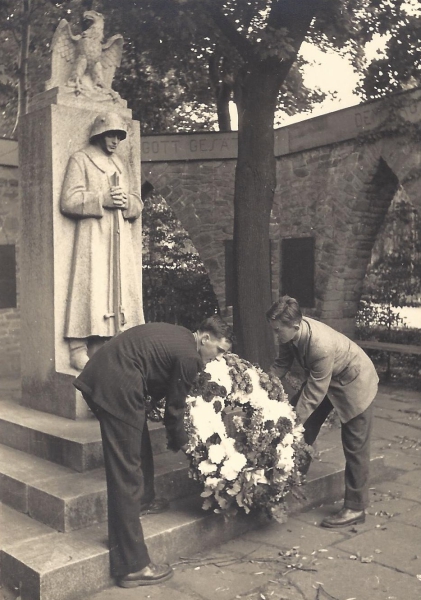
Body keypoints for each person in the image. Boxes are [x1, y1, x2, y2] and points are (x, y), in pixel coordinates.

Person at [73, 316, 233, 587]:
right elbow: (174, 409)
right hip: (117, 385)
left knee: (137, 442)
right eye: (218, 350)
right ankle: (132, 565)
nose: (217, 358)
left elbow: (162, 383)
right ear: (205, 338)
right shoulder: (189, 356)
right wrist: (186, 446)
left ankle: (143, 500)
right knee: (126, 472)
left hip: (110, 378)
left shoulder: (182, 337)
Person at [266, 296, 379, 529]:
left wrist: (291, 422)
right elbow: (280, 365)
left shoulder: (320, 345)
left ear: (295, 326)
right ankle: (292, 481)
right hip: (328, 378)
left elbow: (314, 394)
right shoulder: (289, 333)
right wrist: (262, 385)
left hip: (355, 382)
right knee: (301, 430)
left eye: (278, 331)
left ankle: (356, 507)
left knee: (355, 445)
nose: (275, 335)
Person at [61, 112, 143, 371]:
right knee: (90, 287)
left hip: (118, 237)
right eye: (110, 134)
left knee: (115, 290)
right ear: (98, 134)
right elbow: (69, 200)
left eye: (119, 136)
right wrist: (101, 199)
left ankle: (110, 345)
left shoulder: (120, 164)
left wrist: (127, 203)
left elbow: (136, 201)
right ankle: (77, 346)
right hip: (93, 236)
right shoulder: (81, 160)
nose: (115, 141)